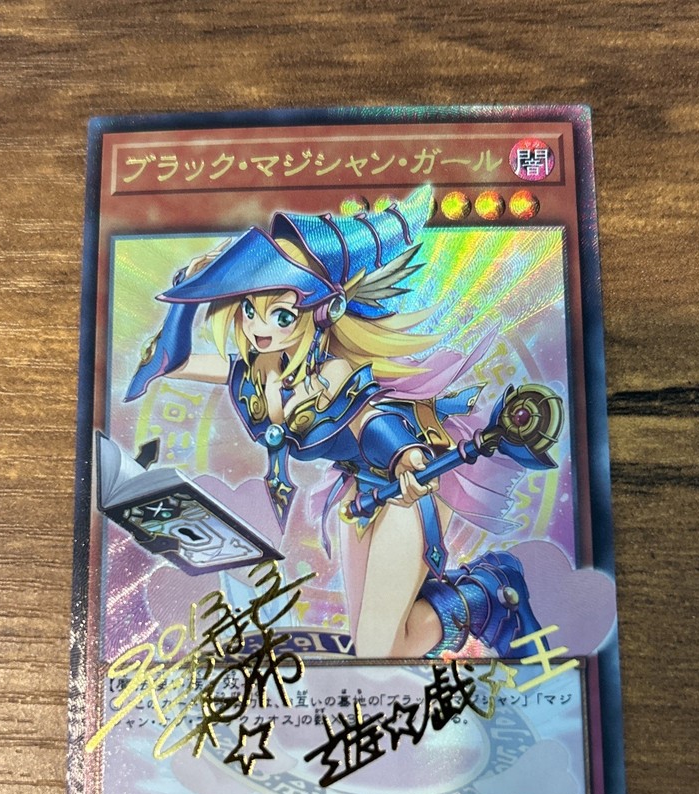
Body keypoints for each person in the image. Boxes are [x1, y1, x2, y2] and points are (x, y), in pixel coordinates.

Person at [124, 187, 553, 659]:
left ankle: (492, 592)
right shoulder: (254, 371)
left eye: (281, 315)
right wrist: (184, 296)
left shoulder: (331, 374)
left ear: (318, 313)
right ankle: (483, 597)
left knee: (380, 651)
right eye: (250, 310)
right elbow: (170, 361)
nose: (259, 329)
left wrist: (407, 457)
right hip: (357, 491)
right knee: (378, 646)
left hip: (408, 482)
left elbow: (370, 417)